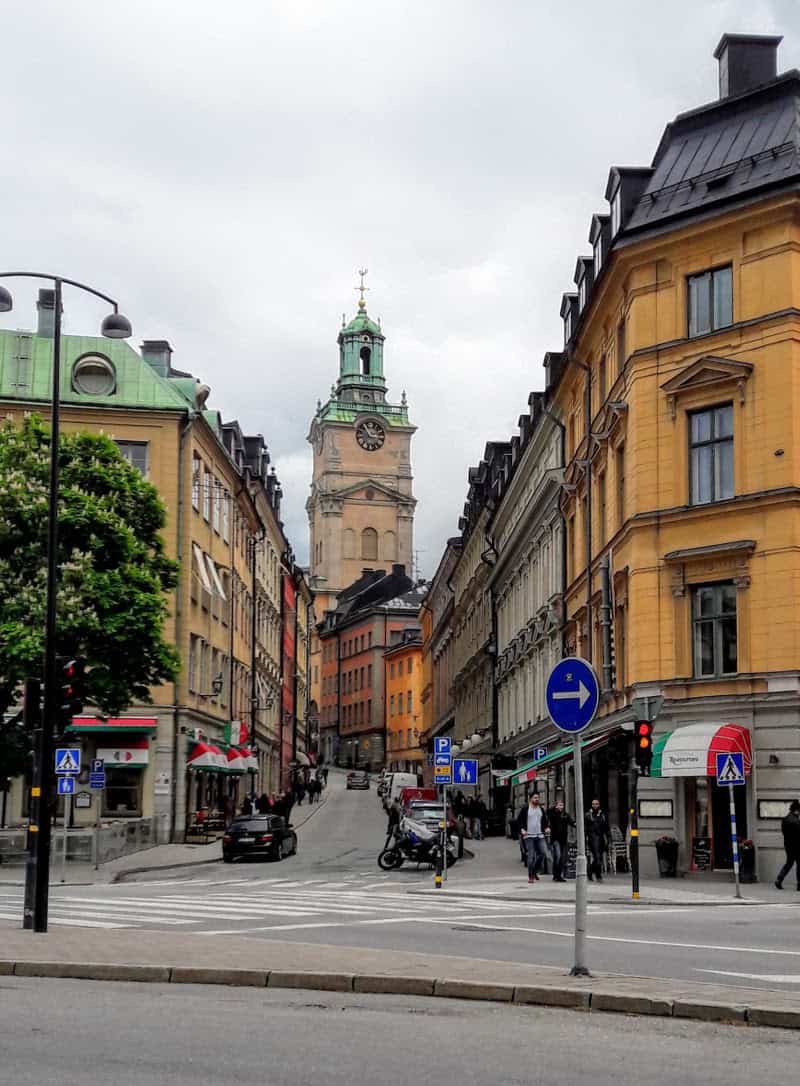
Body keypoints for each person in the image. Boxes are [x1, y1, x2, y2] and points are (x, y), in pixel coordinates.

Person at [515, 793, 550, 883]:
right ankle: (531, 876)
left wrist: (546, 828)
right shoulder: (526, 809)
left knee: (543, 853)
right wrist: (522, 830)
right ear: (530, 799)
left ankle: (534, 870)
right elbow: (519, 821)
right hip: (529, 835)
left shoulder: (541, 809)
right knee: (531, 856)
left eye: (538, 797)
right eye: (535, 798)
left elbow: (545, 821)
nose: (537, 799)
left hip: (539, 835)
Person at [546, 798, 575, 882]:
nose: (561, 807)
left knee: (560, 857)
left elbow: (571, 822)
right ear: (556, 806)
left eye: (562, 805)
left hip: (563, 839)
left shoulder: (565, 814)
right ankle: (557, 875)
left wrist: (576, 824)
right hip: (555, 838)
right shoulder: (552, 813)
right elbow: (547, 814)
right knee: (558, 856)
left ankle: (556, 875)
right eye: (559, 805)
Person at [775, 799, 800, 889]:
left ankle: (779, 879)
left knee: (789, 863)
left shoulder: (785, 819)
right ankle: (799, 884)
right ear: (796, 810)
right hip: (797, 845)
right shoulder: (796, 821)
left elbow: (783, 832)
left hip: (788, 845)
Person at [585, 798, 609, 881]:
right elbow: (587, 826)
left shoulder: (602, 814)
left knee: (599, 858)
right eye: (593, 804)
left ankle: (590, 871)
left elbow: (605, 826)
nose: (595, 805)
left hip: (601, 838)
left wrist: (608, 837)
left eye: (596, 804)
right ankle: (597, 874)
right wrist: (586, 837)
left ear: (599, 805)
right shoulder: (588, 814)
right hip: (593, 838)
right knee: (597, 857)